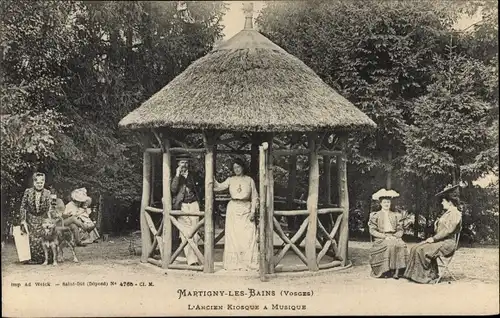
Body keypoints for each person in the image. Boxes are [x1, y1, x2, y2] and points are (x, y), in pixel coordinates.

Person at [404, 184, 463, 284]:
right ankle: (414, 275)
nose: (441, 203)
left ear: (450, 202)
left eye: (443, 201)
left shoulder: (455, 213)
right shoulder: (447, 213)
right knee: (415, 248)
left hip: (448, 243)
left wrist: (434, 239)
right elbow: (439, 228)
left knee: (422, 250)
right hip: (440, 240)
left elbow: (448, 230)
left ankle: (427, 276)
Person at [214, 157, 259, 271]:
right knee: (234, 237)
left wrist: (253, 211)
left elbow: (254, 197)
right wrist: (211, 177)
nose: (236, 169)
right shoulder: (230, 180)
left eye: (238, 167)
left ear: (243, 167)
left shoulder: (249, 180)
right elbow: (218, 187)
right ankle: (234, 263)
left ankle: (248, 263)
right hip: (233, 209)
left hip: (246, 209)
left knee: (247, 236)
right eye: (234, 168)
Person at [368, 188, 408, 279]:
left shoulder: (396, 215)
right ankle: (387, 270)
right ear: (381, 204)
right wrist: (384, 236)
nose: (386, 204)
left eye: (388, 202)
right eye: (385, 202)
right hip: (381, 238)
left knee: (401, 245)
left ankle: (398, 271)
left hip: (394, 236)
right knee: (390, 245)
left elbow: (400, 229)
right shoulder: (375, 215)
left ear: (390, 204)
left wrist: (395, 236)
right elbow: (372, 230)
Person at [13, 172, 52, 264]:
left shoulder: (47, 192)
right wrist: (23, 220)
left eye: (41, 183)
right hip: (31, 218)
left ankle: (45, 258)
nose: (39, 185)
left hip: (43, 218)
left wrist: (50, 219)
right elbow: (23, 206)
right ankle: (32, 259)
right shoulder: (28, 191)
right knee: (32, 238)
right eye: (37, 183)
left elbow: (49, 208)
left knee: (43, 237)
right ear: (34, 183)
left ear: (44, 182)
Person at [171, 155, 203, 266]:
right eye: (181, 163)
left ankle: (197, 257)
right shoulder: (175, 176)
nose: (184, 165)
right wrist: (177, 175)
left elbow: (197, 188)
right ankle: (191, 260)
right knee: (185, 232)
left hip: (194, 205)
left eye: (185, 163)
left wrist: (187, 176)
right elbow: (173, 189)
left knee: (195, 232)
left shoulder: (193, 175)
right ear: (178, 165)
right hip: (182, 206)